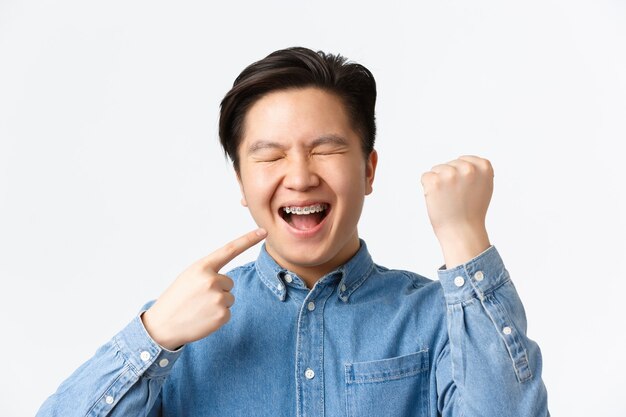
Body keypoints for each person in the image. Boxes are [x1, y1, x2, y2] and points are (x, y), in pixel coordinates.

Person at [36, 47, 549, 417]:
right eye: (271, 154)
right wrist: (153, 335)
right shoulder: (181, 328)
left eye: (325, 148)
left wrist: (464, 240)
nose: (300, 176)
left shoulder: (437, 317)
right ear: (241, 180)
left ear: (369, 171)